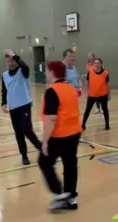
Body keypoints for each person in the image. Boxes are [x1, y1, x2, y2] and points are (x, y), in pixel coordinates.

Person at [38, 61, 82, 212]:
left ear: (52, 72)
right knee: (70, 164)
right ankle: (71, 197)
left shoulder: (52, 91)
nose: (46, 73)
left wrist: (45, 141)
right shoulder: (70, 88)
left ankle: (59, 193)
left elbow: (51, 118)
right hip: (74, 133)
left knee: (44, 162)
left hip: (59, 135)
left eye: (47, 70)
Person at [1, 49, 42, 165]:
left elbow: (24, 65)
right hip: (13, 108)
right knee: (18, 132)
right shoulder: (4, 75)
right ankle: (24, 155)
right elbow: (4, 91)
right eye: (8, 61)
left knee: (27, 129)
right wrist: (3, 103)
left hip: (24, 104)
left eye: (13, 60)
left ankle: (41, 148)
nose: (11, 63)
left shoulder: (23, 71)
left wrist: (14, 55)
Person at [81, 58, 110, 131]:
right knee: (87, 110)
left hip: (103, 95)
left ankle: (107, 125)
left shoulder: (105, 73)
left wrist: (109, 94)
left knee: (105, 110)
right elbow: (87, 82)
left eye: (98, 63)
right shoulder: (90, 71)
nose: (97, 64)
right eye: (95, 63)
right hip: (92, 95)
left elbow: (107, 84)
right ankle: (83, 125)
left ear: (101, 64)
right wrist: (86, 92)